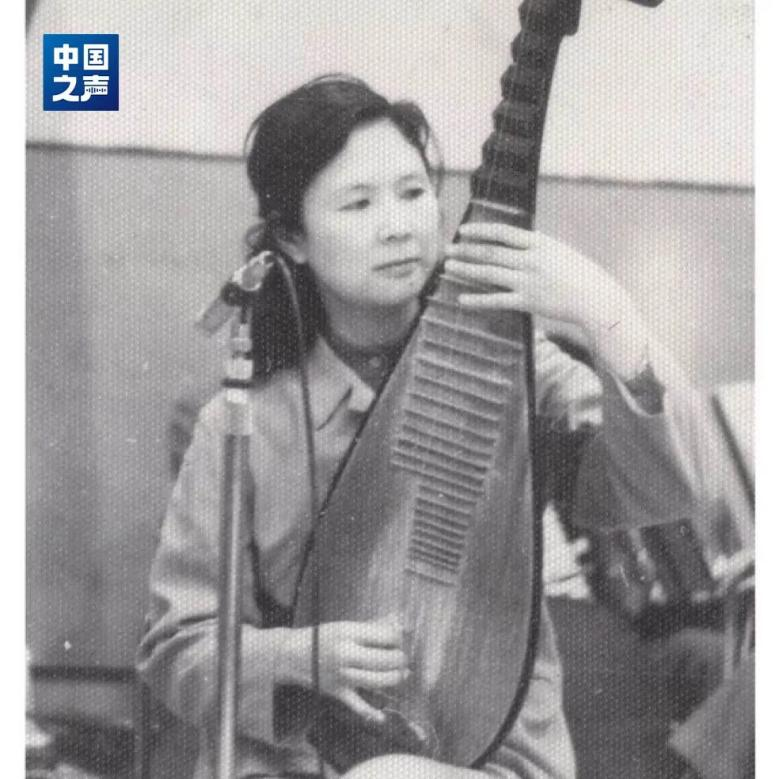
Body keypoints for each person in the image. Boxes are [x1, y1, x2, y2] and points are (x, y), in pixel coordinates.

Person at [137, 74, 708, 779]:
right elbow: (176, 647)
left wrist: (609, 317)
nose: (398, 226)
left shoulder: (518, 366)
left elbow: (665, 487)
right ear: (291, 236)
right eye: (358, 203)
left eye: (412, 193)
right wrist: (298, 656)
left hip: (486, 758)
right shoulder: (243, 419)